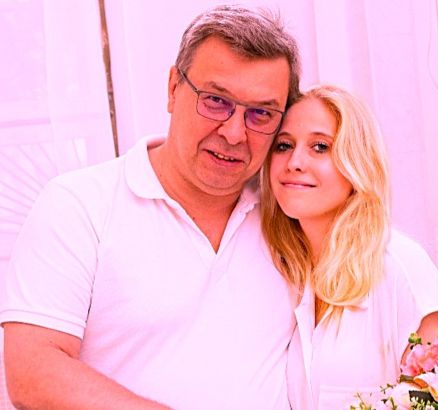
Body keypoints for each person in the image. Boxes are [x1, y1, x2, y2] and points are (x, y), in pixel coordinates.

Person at [0, 5, 301, 409]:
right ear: (173, 88)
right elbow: (32, 372)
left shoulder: (291, 213)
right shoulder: (79, 205)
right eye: (215, 101)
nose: (234, 133)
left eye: (260, 114)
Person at [260, 84, 438, 409]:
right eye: (284, 145)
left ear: (356, 163)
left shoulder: (401, 266)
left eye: (320, 147)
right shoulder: (289, 275)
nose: (294, 162)